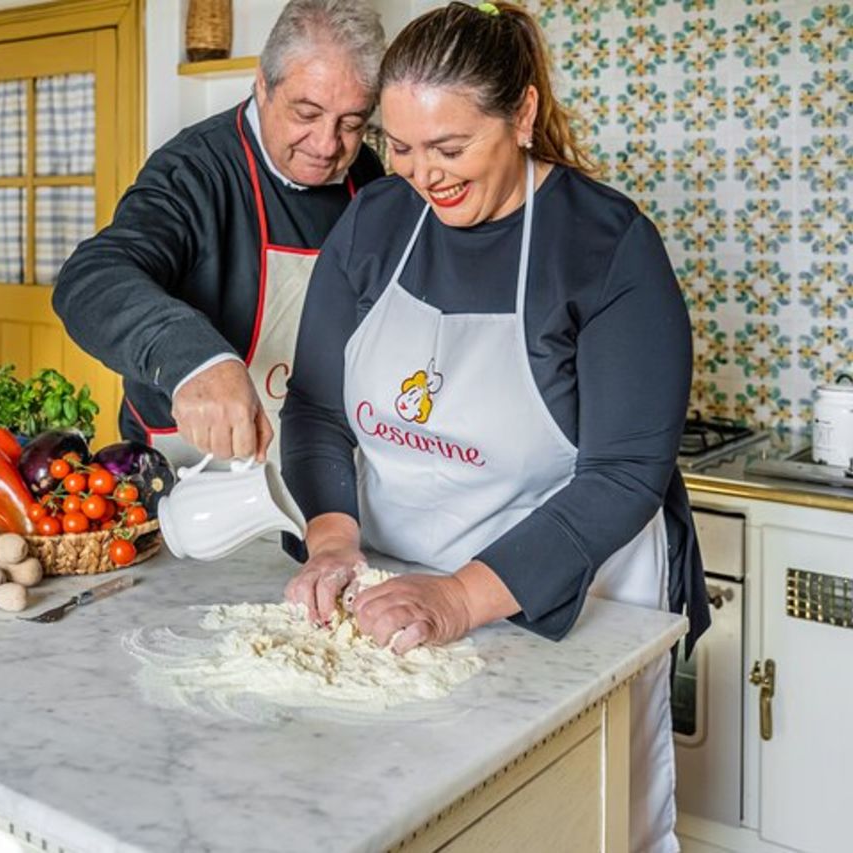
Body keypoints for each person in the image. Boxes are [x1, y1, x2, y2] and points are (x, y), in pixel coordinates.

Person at [279, 4, 708, 851]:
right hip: (395, 598)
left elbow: (623, 474)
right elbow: (320, 408)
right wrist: (331, 537)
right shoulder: (372, 225)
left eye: (449, 149)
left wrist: (459, 597)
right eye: (397, 148)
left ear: (523, 115)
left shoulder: (606, 245)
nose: (420, 175)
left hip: (569, 598)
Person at [54, 0, 386, 469]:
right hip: (193, 469)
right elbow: (91, 278)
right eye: (306, 114)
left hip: (322, 462)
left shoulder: (367, 177)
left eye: (351, 123)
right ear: (263, 84)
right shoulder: (194, 170)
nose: (327, 144)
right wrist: (197, 360)